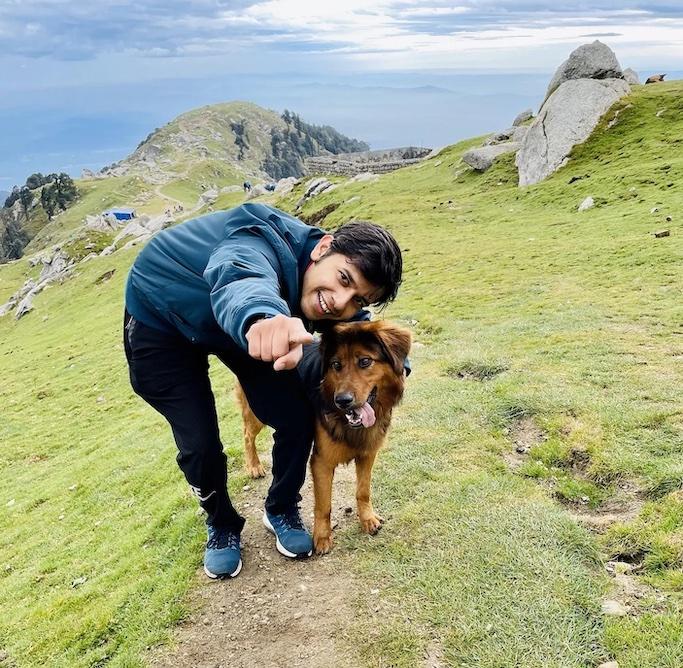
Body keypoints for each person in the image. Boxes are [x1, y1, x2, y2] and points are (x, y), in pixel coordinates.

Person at [123, 203, 403, 579]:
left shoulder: (333, 298)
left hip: (244, 330)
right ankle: (221, 525)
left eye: (357, 298)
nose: (339, 301)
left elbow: (360, 330)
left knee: (295, 415)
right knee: (200, 444)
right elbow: (240, 272)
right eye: (344, 279)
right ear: (323, 248)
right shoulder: (259, 238)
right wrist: (264, 316)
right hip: (165, 320)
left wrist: (400, 365)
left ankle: (282, 505)